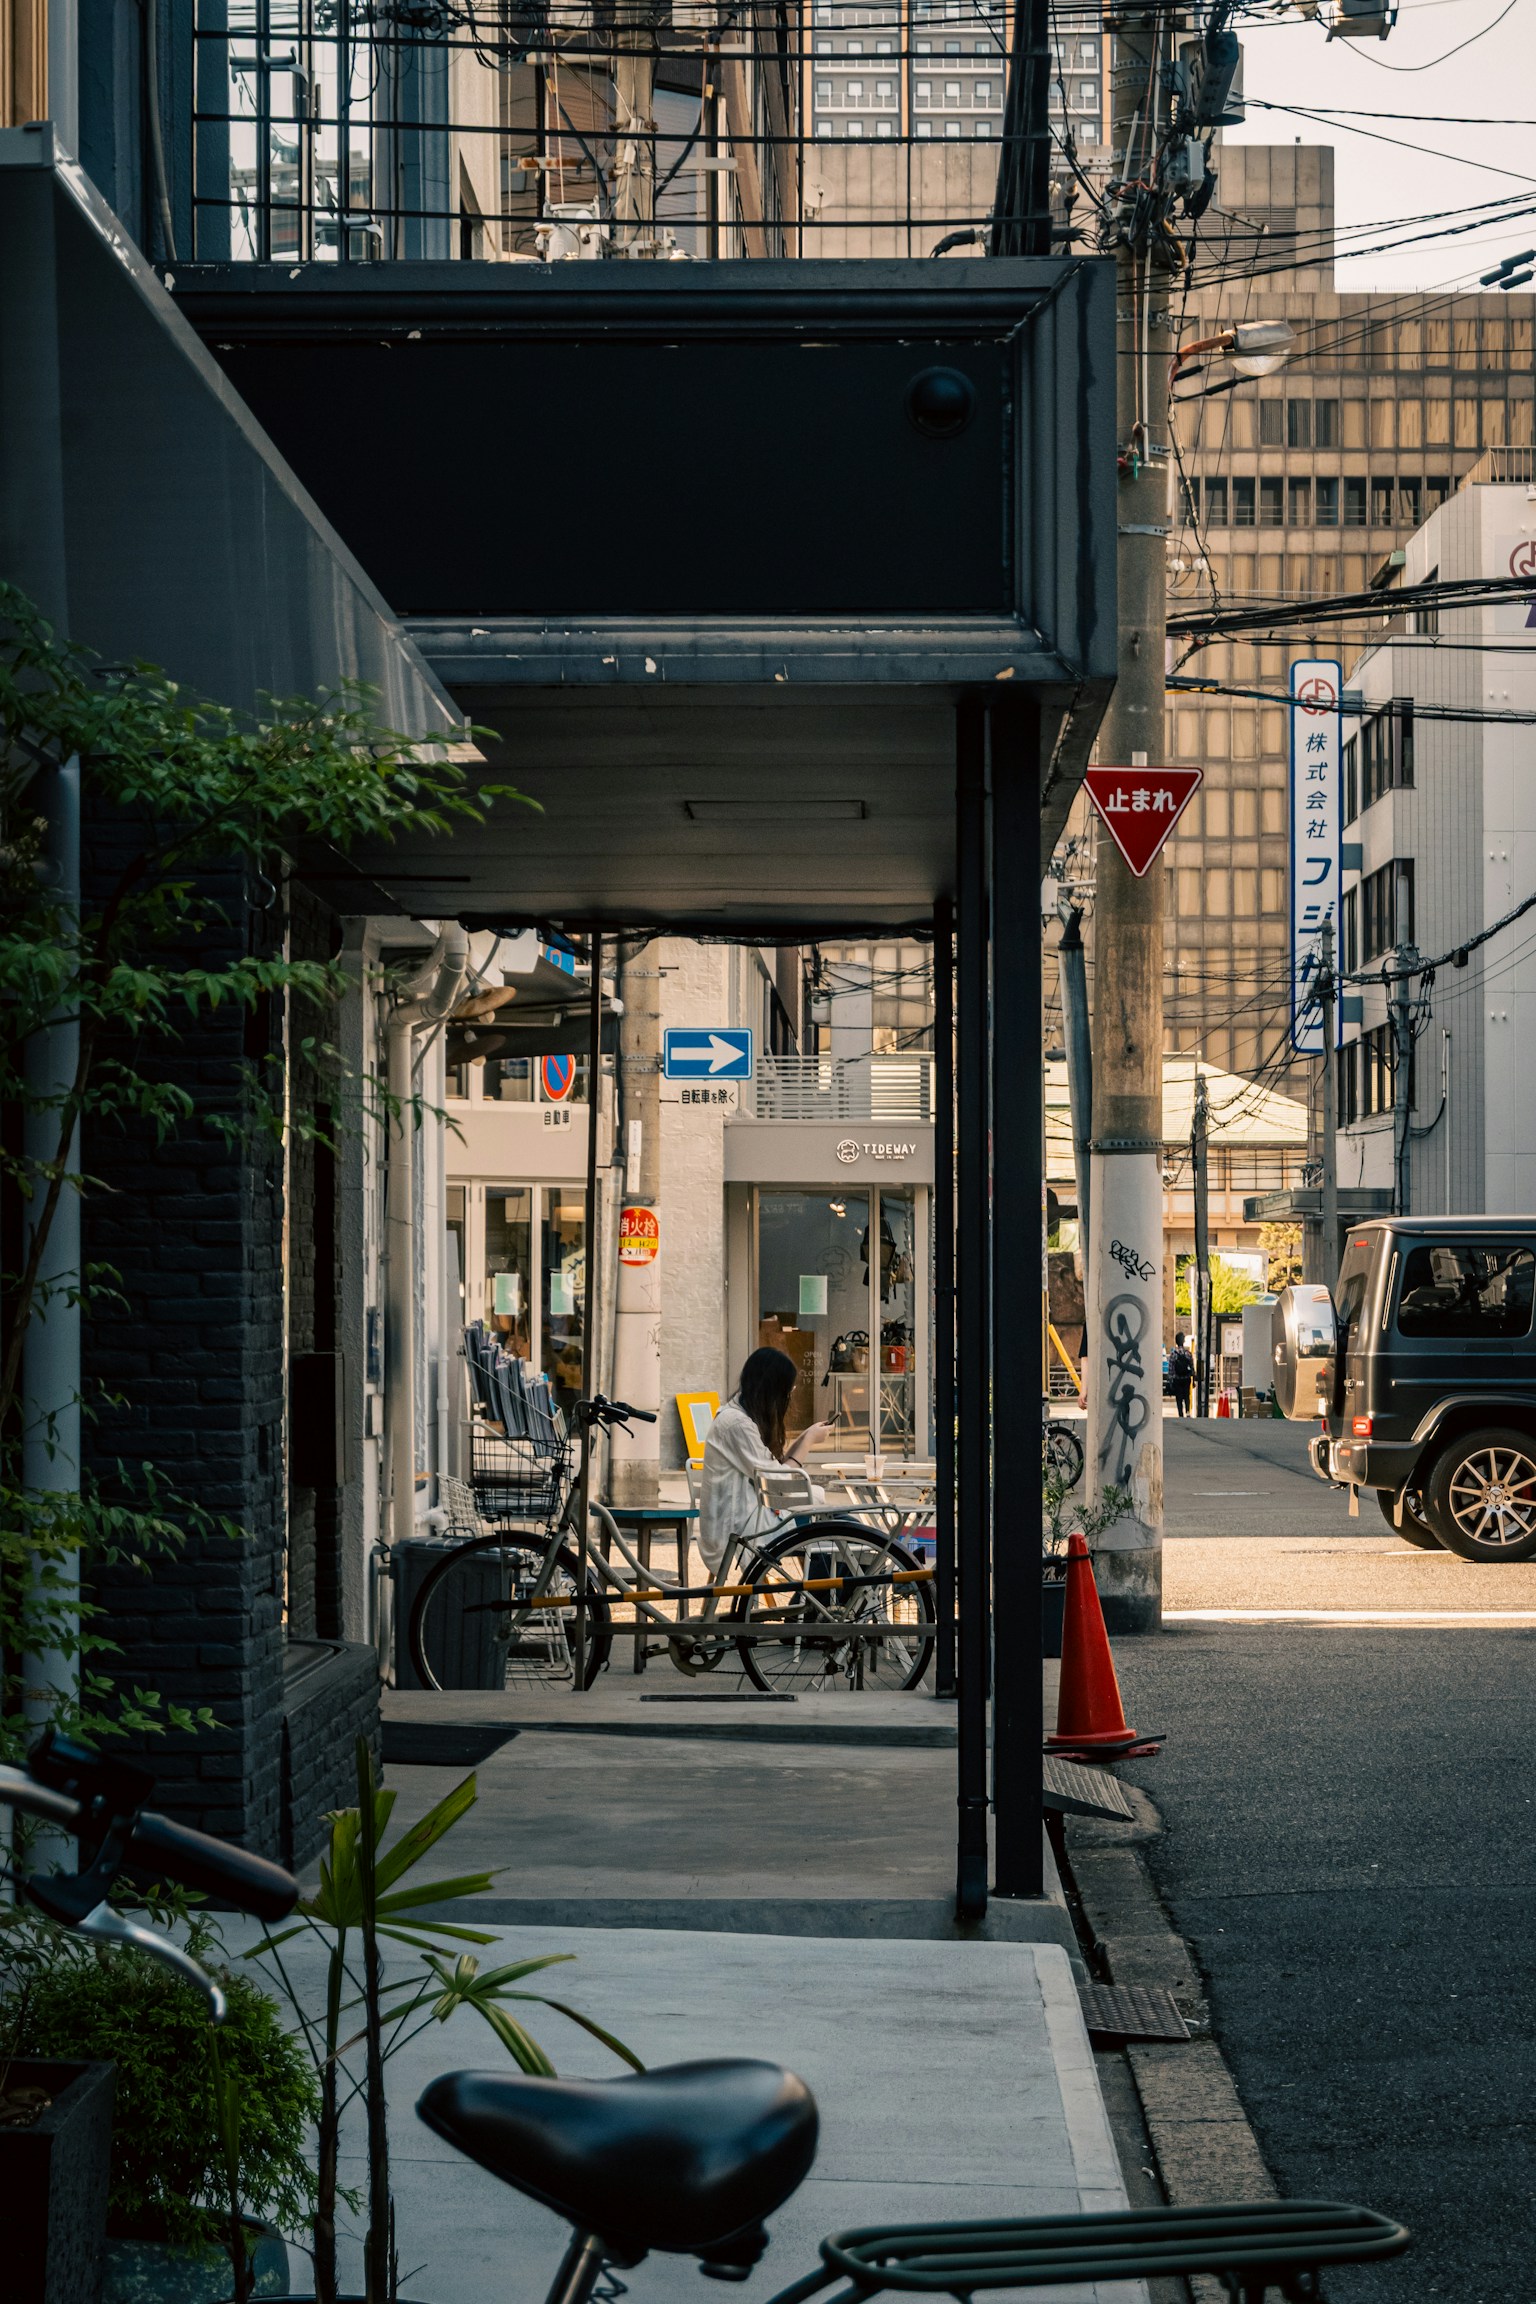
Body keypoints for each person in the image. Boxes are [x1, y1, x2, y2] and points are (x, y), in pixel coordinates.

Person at [698, 1347, 831, 1575]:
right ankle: (827, 1592)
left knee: (832, 1520)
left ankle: (826, 1590)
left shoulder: (737, 1417)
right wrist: (808, 1441)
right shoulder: (738, 1425)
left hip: (747, 1514)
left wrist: (805, 1437)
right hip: (743, 1524)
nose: (789, 1397)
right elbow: (778, 1482)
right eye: (789, 1390)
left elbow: (774, 1469)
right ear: (774, 1391)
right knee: (833, 1526)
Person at [1168, 1332, 1195, 1418]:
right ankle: (1187, 1411)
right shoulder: (1188, 1353)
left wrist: (1171, 1380)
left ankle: (1180, 1413)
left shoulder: (1173, 1354)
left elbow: (1171, 1369)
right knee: (1187, 1395)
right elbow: (1192, 1366)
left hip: (1177, 1379)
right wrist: (1193, 1377)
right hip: (1186, 1378)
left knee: (1179, 1397)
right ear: (1183, 1341)